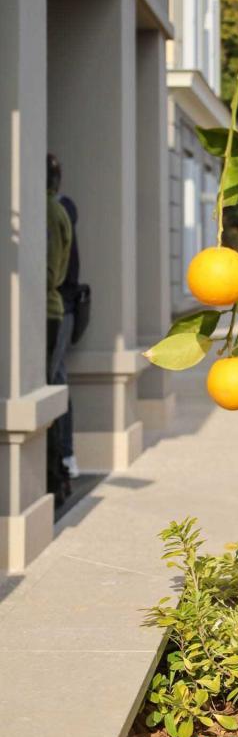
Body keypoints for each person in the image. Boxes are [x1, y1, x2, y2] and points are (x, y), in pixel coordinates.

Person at [46, 153, 73, 506]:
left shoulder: (49, 212)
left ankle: (54, 478)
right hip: (48, 312)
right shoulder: (54, 210)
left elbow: (48, 273)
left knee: (48, 392)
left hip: (44, 314)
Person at [56, 176, 81, 480]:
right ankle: (63, 454)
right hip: (64, 307)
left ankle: (64, 454)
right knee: (57, 375)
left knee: (57, 377)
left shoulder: (58, 212)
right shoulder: (62, 210)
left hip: (61, 307)